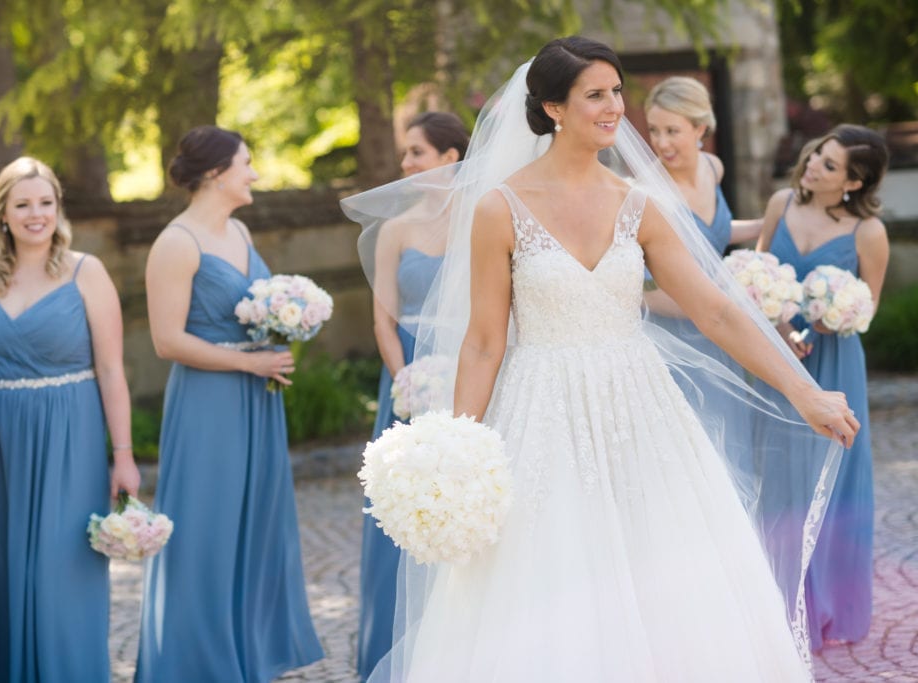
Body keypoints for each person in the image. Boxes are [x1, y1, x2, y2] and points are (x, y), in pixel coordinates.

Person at [343, 36, 858, 681]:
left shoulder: (638, 203)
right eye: (597, 95)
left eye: (617, 92)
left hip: (639, 410)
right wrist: (458, 451)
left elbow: (718, 311)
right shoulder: (500, 207)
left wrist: (804, 391)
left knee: (669, 573)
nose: (615, 106)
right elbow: (482, 341)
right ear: (554, 109)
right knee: (545, 577)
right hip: (539, 412)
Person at [135, 125, 323, 682]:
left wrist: (282, 324)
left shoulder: (239, 230)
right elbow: (167, 340)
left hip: (257, 399)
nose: (255, 173)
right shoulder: (176, 243)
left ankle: (249, 656)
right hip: (209, 403)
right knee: (206, 529)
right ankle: (197, 666)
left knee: (256, 525)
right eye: (246, 162)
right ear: (215, 173)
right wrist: (250, 362)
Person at [0, 157, 140, 682]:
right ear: (4, 214)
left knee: (62, 578)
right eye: (23, 204)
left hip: (69, 441)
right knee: (0, 575)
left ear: (58, 209)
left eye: (46, 202)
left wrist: (122, 457)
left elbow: (111, 370)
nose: (36, 214)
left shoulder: (87, 272)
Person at [756, 124, 889, 650]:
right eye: (817, 154)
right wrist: (781, 326)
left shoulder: (869, 233)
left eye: (830, 165)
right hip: (780, 359)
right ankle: (780, 601)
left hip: (835, 362)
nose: (813, 165)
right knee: (779, 474)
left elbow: (869, 307)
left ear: (853, 182)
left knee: (833, 481)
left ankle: (831, 605)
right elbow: (756, 276)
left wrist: (837, 313)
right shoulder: (779, 203)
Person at [356, 111, 470, 679]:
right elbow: (383, 319)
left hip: (467, 373)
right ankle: (390, 646)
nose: (405, 164)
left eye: (417, 153)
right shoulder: (395, 230)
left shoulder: (480, 220)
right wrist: (405, 381)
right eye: (405, 154)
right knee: (402, 508)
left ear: (450, 158)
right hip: (405, 380)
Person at [642, 76, 758, 474]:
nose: (661, 143)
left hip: (722, 334)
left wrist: (769, 224)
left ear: (700, 129)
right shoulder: (647, 191)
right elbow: (645, 288)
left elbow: (714, 233)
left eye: (672, 130)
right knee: (692, 460)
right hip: (674, 339)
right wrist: (717, 300)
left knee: (732, 450)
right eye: (654, 131)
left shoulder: (713, 167)